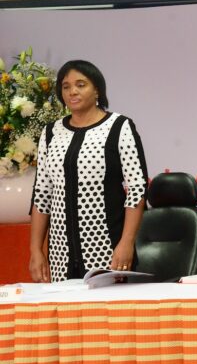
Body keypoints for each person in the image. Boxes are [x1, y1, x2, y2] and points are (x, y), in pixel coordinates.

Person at [29, 60, 148, 282]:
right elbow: (42, 195)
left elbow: (137, 190)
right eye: (66, 86)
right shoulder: (50, 133)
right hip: (60, 256)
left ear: (97, 91)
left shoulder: (119, 126)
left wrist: (126, 243)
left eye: (81, 84)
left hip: (107, 250)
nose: (72, 91)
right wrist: (36, 250)